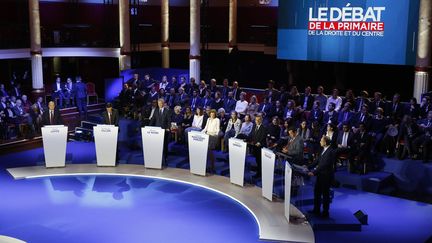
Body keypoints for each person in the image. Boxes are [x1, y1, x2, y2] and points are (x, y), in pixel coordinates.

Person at [307, 136, 336, 218]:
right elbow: (317, 161)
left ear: (325, 142)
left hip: (326, 176)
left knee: (325, 194)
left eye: (321, 140)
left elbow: (324, 165)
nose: (320, 142)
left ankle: (325, 212)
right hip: (320, 175)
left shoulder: (330, 151)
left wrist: (314, 172)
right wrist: (308, 167)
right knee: (317, 193)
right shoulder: (323, 150)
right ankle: (316, 210)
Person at [149, 98, 172, 165]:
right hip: (157, 131)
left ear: (163, 103)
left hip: (165, 130)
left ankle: (165, 157)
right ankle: (157, 157)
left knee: (165, 145)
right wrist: (149, 127)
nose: (159, 105)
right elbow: (153, 119)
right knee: (157, 145)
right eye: (158, 104)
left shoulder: (167, 111)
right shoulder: (156, 110)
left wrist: (168, 128)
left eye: (160, 103)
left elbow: (169, 121)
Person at [248, 115, 267, 181]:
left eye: (259, 120)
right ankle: (259, 172)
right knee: (257, 160)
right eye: (256, 120)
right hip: (255, 146)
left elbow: (263, 137)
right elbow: (252, 134)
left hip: (260, 147)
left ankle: (260, 174)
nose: (257, 121)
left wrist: (259, 142)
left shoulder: (264, 128)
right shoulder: (254, 126)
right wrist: (248, 139)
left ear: (261, 120)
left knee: (260, 161)